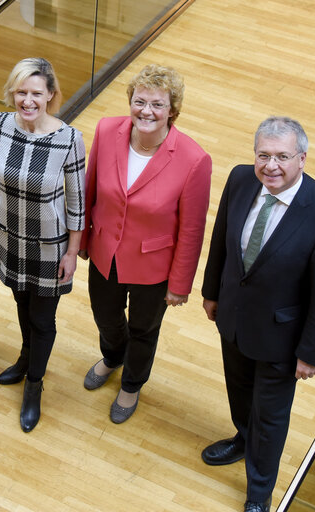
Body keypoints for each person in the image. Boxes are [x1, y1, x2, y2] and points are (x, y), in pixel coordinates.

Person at [200, 117, 315, 512]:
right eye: (263, 155)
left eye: (282, 157)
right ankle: (242, 438)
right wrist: (212, 291)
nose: (271, 166)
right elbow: (222, 238)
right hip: (233, 318)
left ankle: (259, 493)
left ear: (302, 158)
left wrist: (311, 353)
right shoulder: (240, 180)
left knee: (270, 417)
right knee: (239, 392)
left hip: (281, 340)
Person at [78, 65, 212, 424]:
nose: (146, 111)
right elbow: (90, 188)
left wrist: (180, 284)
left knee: (143, 328)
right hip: (106, 251)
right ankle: (113, 355)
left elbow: (192, 230)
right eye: (139, 101)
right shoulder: (108, 131)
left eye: (157, 104)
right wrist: (84, 239)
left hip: (154, 267)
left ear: (172, 110)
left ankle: (132, 384)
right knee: (105, 317)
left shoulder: (193, 160)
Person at [0, 58, 85, 433]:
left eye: (36, 93)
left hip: (49, 246)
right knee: (21, 302)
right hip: (9, 237)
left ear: (50, 96)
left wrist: (72, 252)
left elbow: (77, 203)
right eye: (21, 92)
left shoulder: (68, 139)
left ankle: (34, 385)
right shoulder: (2, 125)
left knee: (42, 318)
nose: (27, 100)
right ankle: (25, 359)